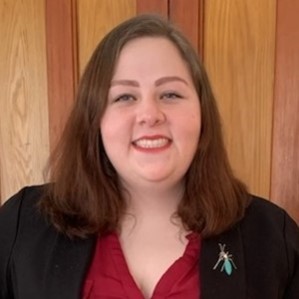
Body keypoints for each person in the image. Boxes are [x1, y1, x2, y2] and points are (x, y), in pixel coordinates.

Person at [0, 14, 298, 299]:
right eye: (124, 97)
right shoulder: (21, 227)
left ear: (202, 114)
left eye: (170, 94)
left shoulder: (272, 237)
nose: (150, 115)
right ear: (95, 119)